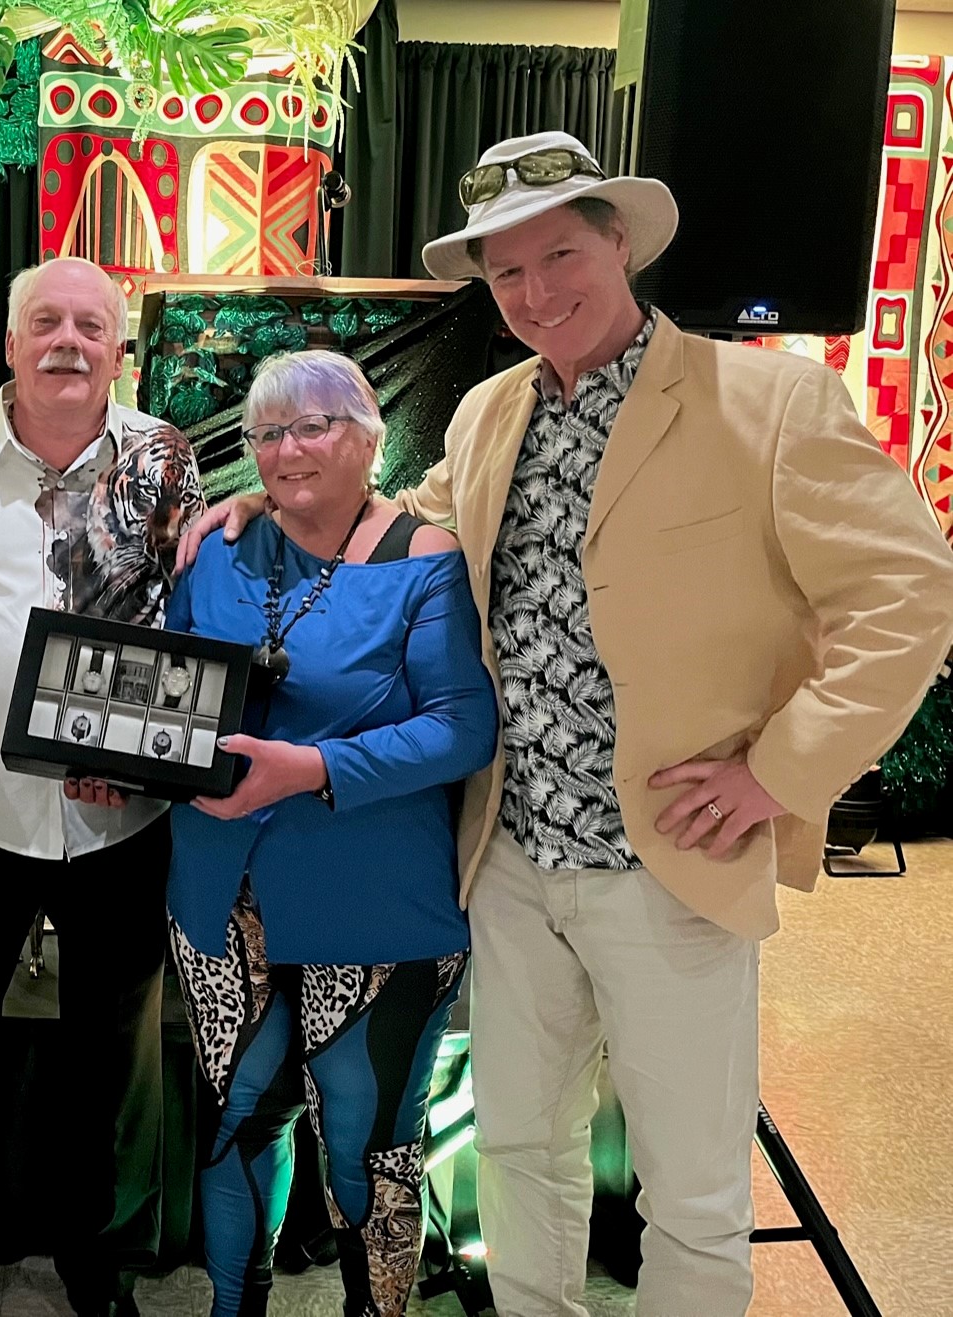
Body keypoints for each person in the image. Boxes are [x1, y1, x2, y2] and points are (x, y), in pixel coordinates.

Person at [179, 129, 953, 1316]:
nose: (537, 293)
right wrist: (263, 497)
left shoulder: (770, 400)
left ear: (622, 242)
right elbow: (390, 527)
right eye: (506, 273)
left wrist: (777, 774)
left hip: (675, 859)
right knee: (517, 1156)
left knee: (691, 1192)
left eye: (559, 255)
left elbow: (910, 594)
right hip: (510, 864)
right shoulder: (489, 414)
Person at [0, 256, 204, 1316]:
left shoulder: (165, 456)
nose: (67, 341)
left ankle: (87, 1249)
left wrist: (147, 756)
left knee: (99, 1061)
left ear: (121, 348)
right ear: (10, 344)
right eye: (45, 323)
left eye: (90, 324)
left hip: (121, 821)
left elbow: (192, 628)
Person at [166, 350, 497, 1316]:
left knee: (367, 1139)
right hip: (220, 893)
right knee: (239, 1120)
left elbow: (462, 726)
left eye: (314, 426)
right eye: (268, 431)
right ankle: (236, 1306)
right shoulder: (217, 547)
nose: (287, 447)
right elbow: (174, 687)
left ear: (368, 439)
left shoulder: (421, 558)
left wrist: (312, 768)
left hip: (376, 896)